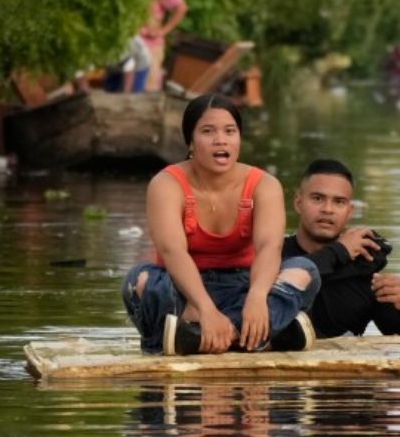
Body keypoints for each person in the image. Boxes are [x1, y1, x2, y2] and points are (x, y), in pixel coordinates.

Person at [121, 94, 320, 355]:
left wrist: (258, 298)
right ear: (190, 141)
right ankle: (264, 338)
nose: (220, 140)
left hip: (243, 287)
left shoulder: (264, 185)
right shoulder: (166, 184)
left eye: (230, 131)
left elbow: (269, 248)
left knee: (305, 271)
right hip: (183, 291)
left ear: (239, 138)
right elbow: (173, 252)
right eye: (208, 131)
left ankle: (202, 337)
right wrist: (203, 307)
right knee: (141, 280)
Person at [281, 159, 400, 365]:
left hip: (344, 389)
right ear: (298, 203)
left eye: (339, 202)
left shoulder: (363, 270)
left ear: (350, 211)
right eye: (317, 198)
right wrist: (339, 251)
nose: (328, 209)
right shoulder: (270, 255)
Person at [139, 0, 188, 92]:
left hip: (150, 44)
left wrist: (163, 31)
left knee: (149, 85)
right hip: (129, 41)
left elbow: (181, 7)